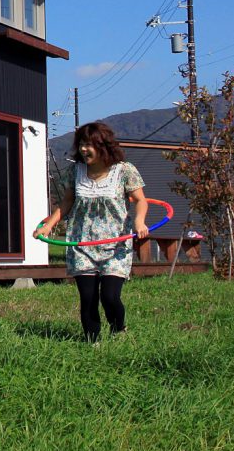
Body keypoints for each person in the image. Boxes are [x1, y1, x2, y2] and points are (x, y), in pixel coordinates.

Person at [34, 121, 150, 343]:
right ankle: (92, 342)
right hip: (82, 243)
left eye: (89, 145)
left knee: (110, 297)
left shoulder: (124, 171)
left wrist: (139, 221)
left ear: (103, 146)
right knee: (87, 298)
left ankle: (118, 329)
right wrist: (48, 225)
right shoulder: (75, 171)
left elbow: (140, 200)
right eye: (81, 144)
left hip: (115, 246)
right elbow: (66, 203)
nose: (84, 149)